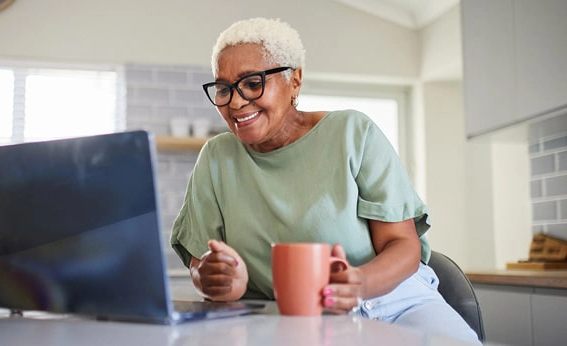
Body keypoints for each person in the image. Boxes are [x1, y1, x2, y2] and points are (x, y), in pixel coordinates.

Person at [170, 17, 480, 344]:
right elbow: (201, 265)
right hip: (293, 321)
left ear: (295, 81)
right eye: (224, 88)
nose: (235, 102)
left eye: (252, 83)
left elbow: (404, 245)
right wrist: (214, 279)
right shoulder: (217, 158)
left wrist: (358, 284)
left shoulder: (352, 133)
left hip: (393, 304)